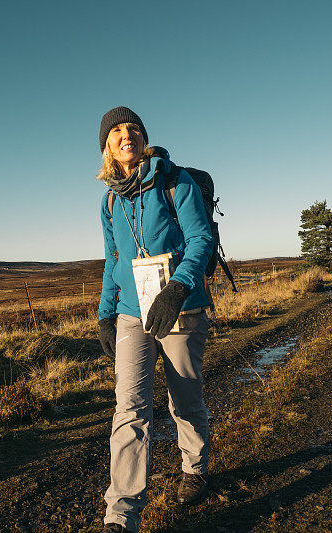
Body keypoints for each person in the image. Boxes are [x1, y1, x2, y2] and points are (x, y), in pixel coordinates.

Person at [96, 107, 214, 533]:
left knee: (184, 397)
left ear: (144, 137)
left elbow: (201, 238)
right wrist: (106, 313)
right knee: (129, 408)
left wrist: (179, 287)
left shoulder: (174, 181)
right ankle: (121, 514)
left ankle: (195, 468)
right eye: (116, 132)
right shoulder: (109, 199)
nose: (126, 135)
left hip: (181, 306)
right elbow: (113, 259)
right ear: (107, 147)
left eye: (133, 128)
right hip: (132, 312)